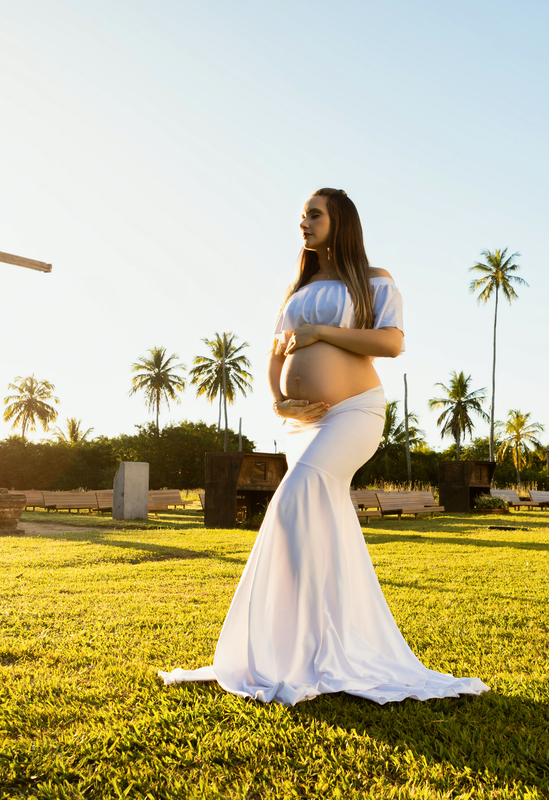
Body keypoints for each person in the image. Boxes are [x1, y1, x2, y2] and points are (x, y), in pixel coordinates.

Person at [159, 188, 489, 705]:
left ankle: (294, 647)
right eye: (302, 216)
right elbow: (274, 358)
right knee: (319, 527)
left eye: (314, 215)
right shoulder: (297, 289)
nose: (304, 223)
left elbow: (391, 343)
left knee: (292, 504)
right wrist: (278, 402)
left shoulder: (374, 281)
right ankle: (308, 649)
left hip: (355, 413)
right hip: (301, 426)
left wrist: (322, 334)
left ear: (341, 222)